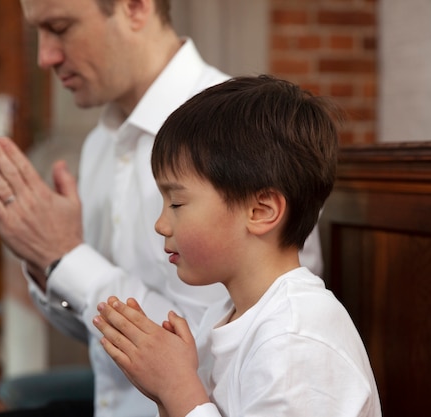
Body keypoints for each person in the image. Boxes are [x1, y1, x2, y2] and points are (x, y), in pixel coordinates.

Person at [0, 0, 324, 416]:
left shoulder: (236, 136)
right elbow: (100, 335)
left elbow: (214, 351)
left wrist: (65, 256)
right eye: (38, 34)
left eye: (61, 27)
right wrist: (46, 262)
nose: (45, 56)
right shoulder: (100, 143)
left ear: (135, 8)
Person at [93, 75, 382, 417]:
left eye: (177, 203)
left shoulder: (295, 338)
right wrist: (165, 392)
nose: (161, 224)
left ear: (261, 211)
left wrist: (177, 386)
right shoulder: (233, 312)